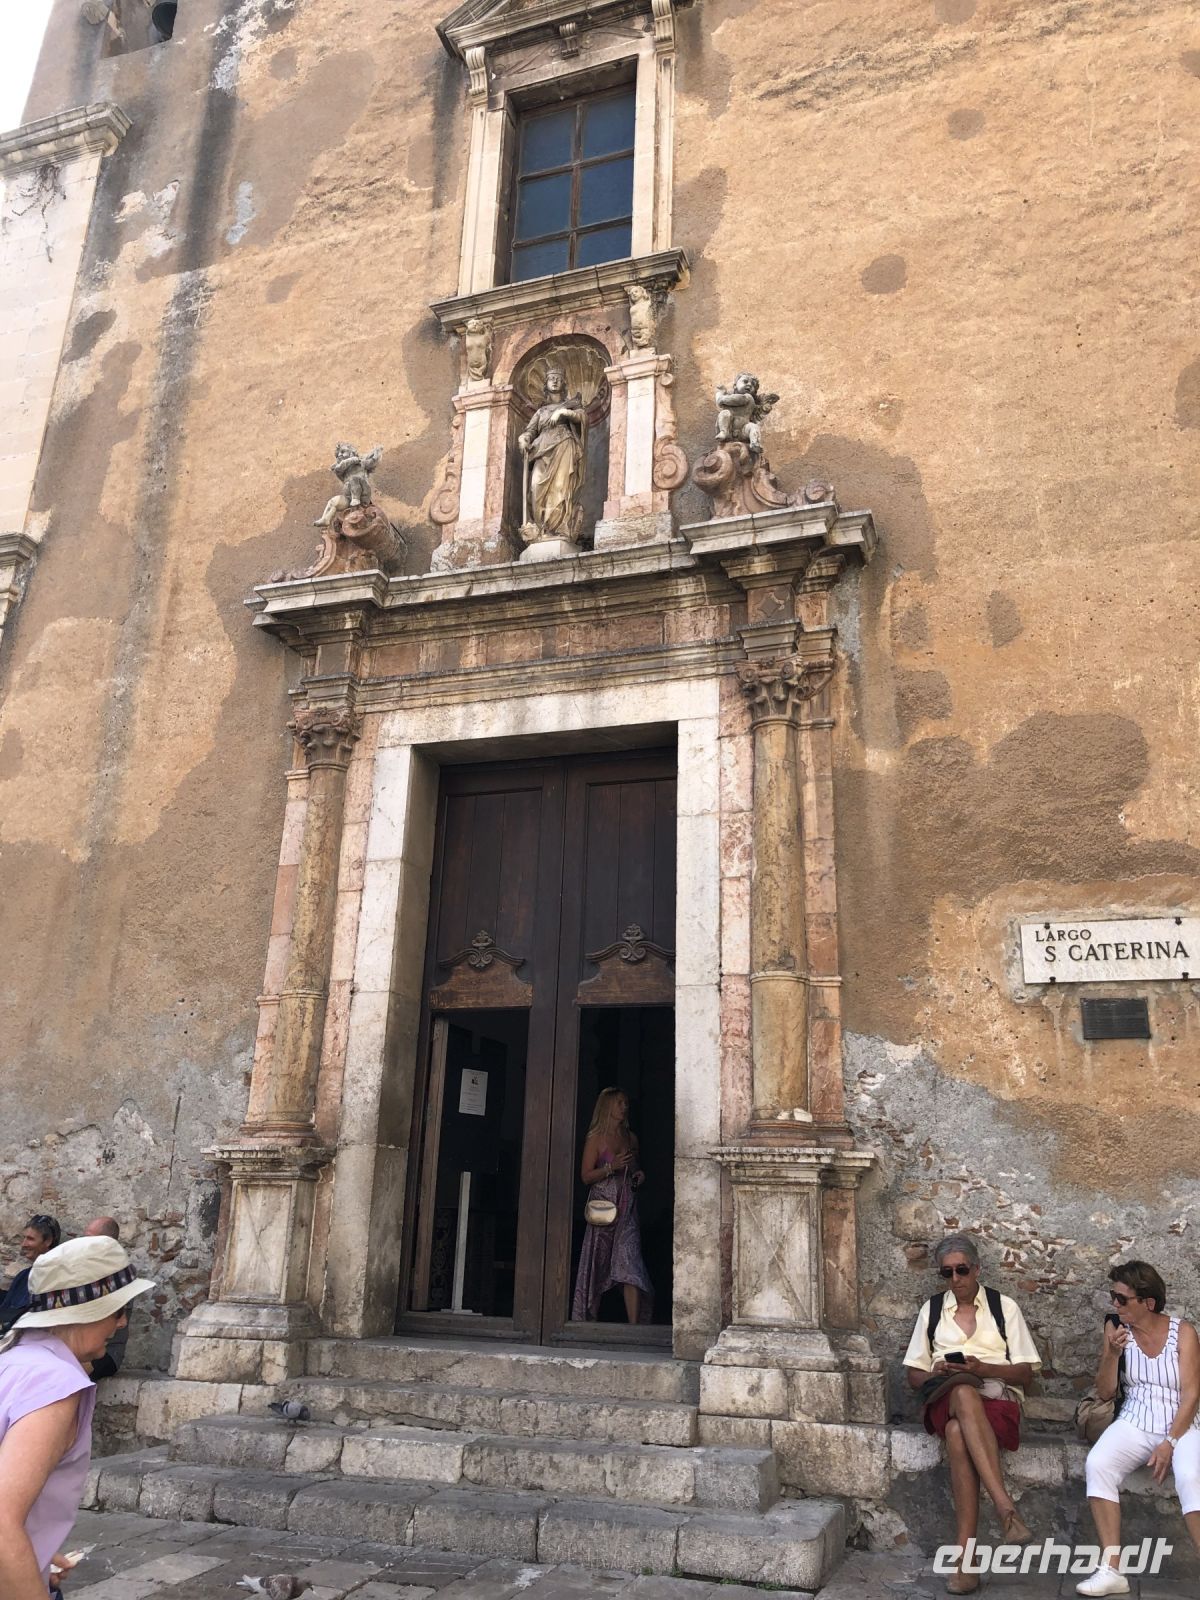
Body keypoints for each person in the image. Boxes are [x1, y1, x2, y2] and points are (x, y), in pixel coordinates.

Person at [0, 1235, 153, 1598]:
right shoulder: (56, 1384)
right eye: (119, 1310)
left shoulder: (15, 1361)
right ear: (87, 1312)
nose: (121, 1323)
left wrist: (32, 1553)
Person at [903, 1233, 1042, 1595]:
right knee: (962, 1391)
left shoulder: (1004, 1307)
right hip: (947, 1396)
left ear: (977, 1269)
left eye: (961, 1270)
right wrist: (936, 1371)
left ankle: (966, 1565)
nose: (955, 1279)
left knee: (956, 1433)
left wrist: (982, 1368)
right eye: (946, 1273)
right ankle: (1004, 1506)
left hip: (994, 1397)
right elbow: (913, 1376)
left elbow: (1025, 1374)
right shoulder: (933, 1310)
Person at [1076, 1261, 1200, 1597]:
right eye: (1113, 1296)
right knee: (1098, 1463)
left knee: (1190, 1476)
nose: (1115, 1304)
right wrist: (1112, 1354)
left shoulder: (1183, 1333)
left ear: (1148, 1302)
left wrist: (1169, 1442)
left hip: (1182, 1425)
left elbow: (1191, 1395)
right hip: (1135, 1419)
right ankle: (1111, 1570)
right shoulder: (1117, 1329)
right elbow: (1105, 1392)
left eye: (1122, 1299)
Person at [571, 1087, 653, 1325]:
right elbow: (586, 1176)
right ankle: (589, 1318)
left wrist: (639, 1176)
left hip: (627, 1206)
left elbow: (634, 1169)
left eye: (626, 1103)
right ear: (607, 1106)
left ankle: (634, 1325)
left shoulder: (631, 1138)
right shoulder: (596, 1138)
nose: (624, 1107)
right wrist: (610, 1167)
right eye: (619, 1103)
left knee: (630, 1260)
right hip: (604, 1207)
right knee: (597, 1262)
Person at [82, 1221, 128, 1381]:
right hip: (81, 1348)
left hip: (106, 1352)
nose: (83, 1244)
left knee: (69, 1369)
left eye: (89, 1239)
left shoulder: (119, 1276)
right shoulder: (82, 1269)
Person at [0, 1217, 62, 1334]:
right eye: (24, 1238)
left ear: (48, 1241)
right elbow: (5, 1310)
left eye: (30, 1239)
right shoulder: (23, 1276)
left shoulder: (55, 1278)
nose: (24, 1244)